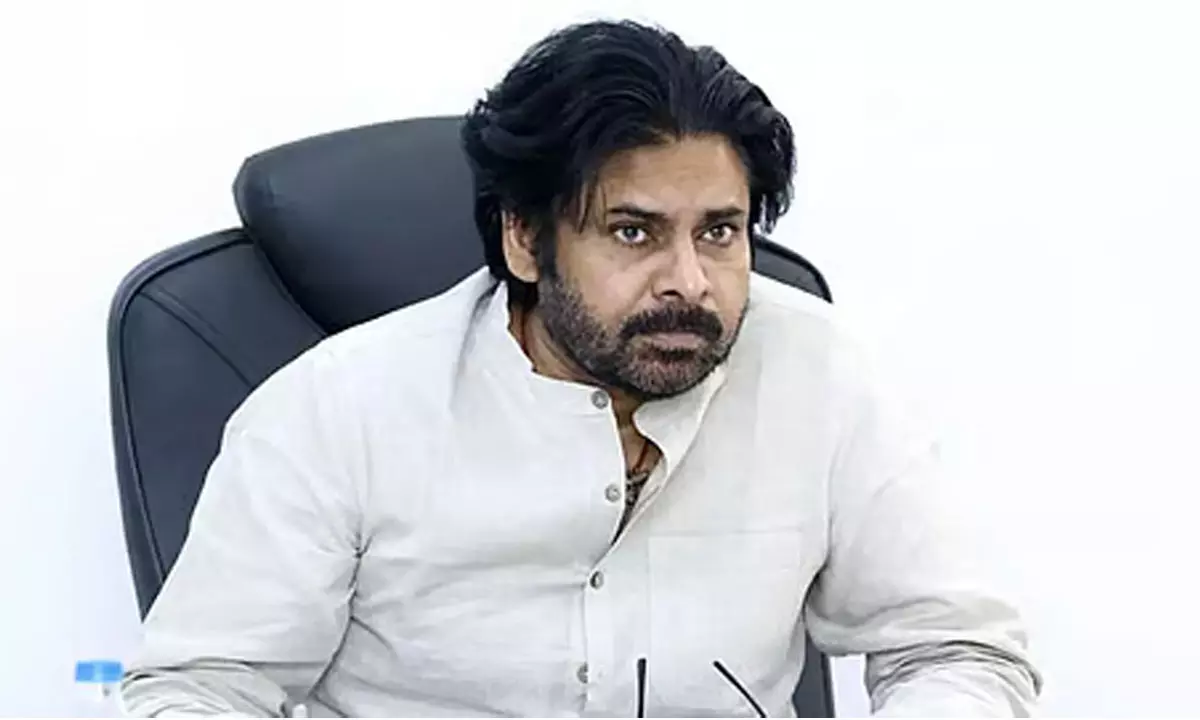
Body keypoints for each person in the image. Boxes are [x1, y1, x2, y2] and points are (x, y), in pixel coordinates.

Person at [120, 19, 1041, 718]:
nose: (690, 282)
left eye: (720, 232)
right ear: (525, 239)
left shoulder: (818, 371)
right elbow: (199, 689)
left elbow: (954, 648)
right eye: (634, 232)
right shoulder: (338, 409)